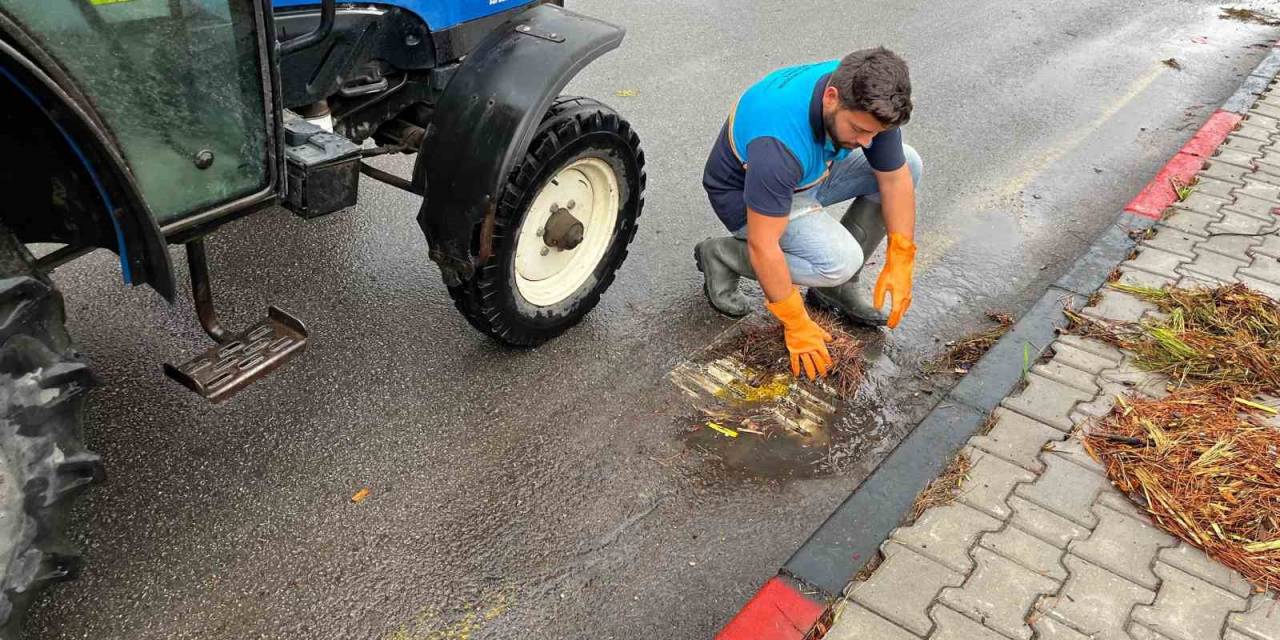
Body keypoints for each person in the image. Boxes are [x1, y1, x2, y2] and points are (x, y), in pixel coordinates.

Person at [696, 47, 923, 380]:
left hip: (811, 173)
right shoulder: (778, 142)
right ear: (831, 98)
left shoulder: (864, 91)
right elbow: (764, 243)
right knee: (837, 262)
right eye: (860, 131)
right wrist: (796, 323)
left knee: (909, 163)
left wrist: (901, 256)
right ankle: (724, 254)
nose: (868, 142)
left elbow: (893, 178)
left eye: (875, 133)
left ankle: (836, 289)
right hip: (750, 196)